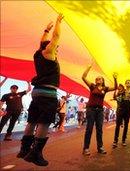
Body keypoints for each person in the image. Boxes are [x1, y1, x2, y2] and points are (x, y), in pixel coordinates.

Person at [17, 14, 64, 166]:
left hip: (37, 93)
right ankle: (35, 154)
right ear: (50, 47)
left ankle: (24, 150)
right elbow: (56, 37)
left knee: (31, 121)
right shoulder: (48, 54)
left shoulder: (38, 54)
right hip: (47, 94)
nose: (57, 49)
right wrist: (58, 22)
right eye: (55, 47)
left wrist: (45, 30)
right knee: (44, 123)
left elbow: (41, 42)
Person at [82, 62, 117, 155]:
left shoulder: (105, 88)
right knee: (89, 129)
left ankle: (100, 147)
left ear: (102, 81)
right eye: (96, 79)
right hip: (91, 110)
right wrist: (88, 67)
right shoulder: (92, 86)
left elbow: (115, 87)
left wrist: (115, 78)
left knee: (99, 129)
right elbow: (83, 77)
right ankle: (86, 148)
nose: (98, 79)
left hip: (100, 111)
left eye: (99, 79)